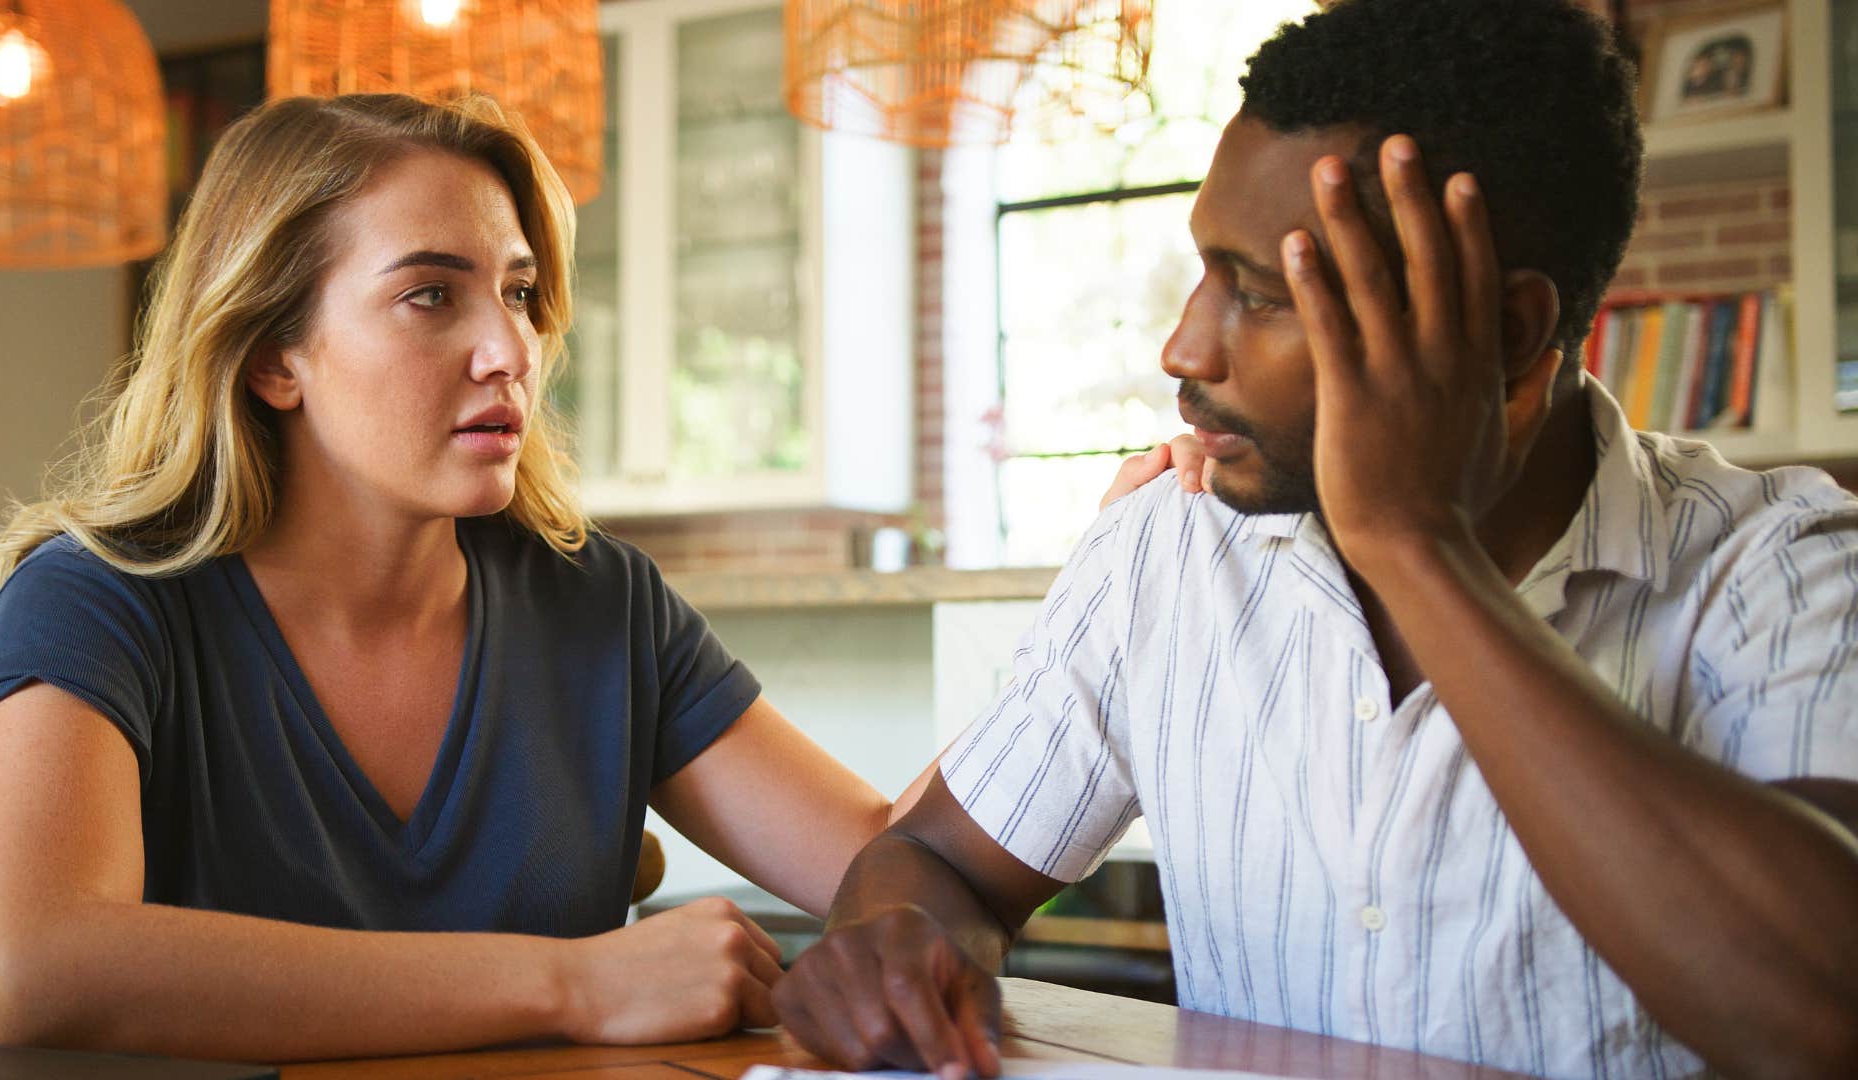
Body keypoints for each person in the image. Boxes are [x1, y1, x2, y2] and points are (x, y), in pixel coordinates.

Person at [771, 1, 1858, 1078]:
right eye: (1206, 273)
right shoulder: (1166, 551)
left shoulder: (1781, 567)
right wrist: (894, 948)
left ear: (1508, 333)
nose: (1184, 347)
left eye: (1260, 296)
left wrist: (1417, 545)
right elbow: (937, 858)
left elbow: (1821, 1018)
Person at [0, 91, 1075, 1062]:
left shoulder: (602, 607)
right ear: (276, 355)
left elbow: (891, 860)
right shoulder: (102, 598)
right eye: (432, 295)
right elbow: (25, 970)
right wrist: (574, 984)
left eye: (521, 293)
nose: (512, 349)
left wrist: (1094, 618)